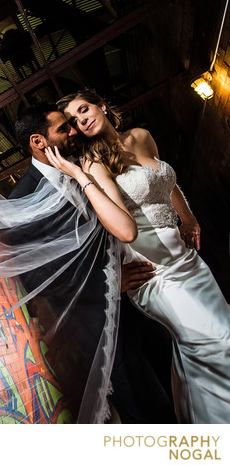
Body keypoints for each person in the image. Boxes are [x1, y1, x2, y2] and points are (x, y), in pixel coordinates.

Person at [54, 90, 230, 423]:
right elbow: (119, 227)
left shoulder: (142, 137)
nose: (82, 119)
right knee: (217, 338)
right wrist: (81, 176)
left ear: (101, 104)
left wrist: (189, 218)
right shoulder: (94, 162)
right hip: (153, 271)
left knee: (204, 348)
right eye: (74, 120)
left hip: (188, 261)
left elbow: (166, 183)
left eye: (84, 109)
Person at [11, 102, 176, 423]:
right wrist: (111, 281)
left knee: (174, 383)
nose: (73, 131)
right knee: (148, 411)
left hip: (143, 299)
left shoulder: (83, 168)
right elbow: (39, 276)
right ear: (38, 141)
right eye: (63, 128)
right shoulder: (21, 200)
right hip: (99, 322)